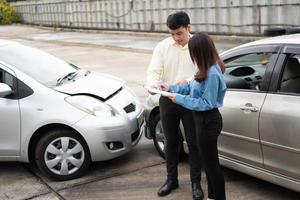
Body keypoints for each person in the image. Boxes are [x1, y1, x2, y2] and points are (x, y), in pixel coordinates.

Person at [161, 32, 227, 200]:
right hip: (201, 120)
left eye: (193, 52)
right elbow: (192, 87)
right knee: (209, 164)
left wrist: (179, 99)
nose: (192, 56)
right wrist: (171, 88)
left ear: (200, 52)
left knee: (212, 166)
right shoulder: (203, 67)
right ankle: (212, 197)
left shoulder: (212, 73)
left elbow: (206, 103)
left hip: (208, 121)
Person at [146, 11, 203, 200]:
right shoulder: (162, 47)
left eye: (179, 33)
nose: (175, 38)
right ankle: (172, 180)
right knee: (171, 142)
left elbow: (202, 73)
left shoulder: (199, 46)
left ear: (189, 27)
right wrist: (153, 84)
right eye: (172, 34)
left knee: (194, 143)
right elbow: (154, 70)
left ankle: (196, 183)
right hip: (167, 100)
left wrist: (183, 82)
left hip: (190, 100)